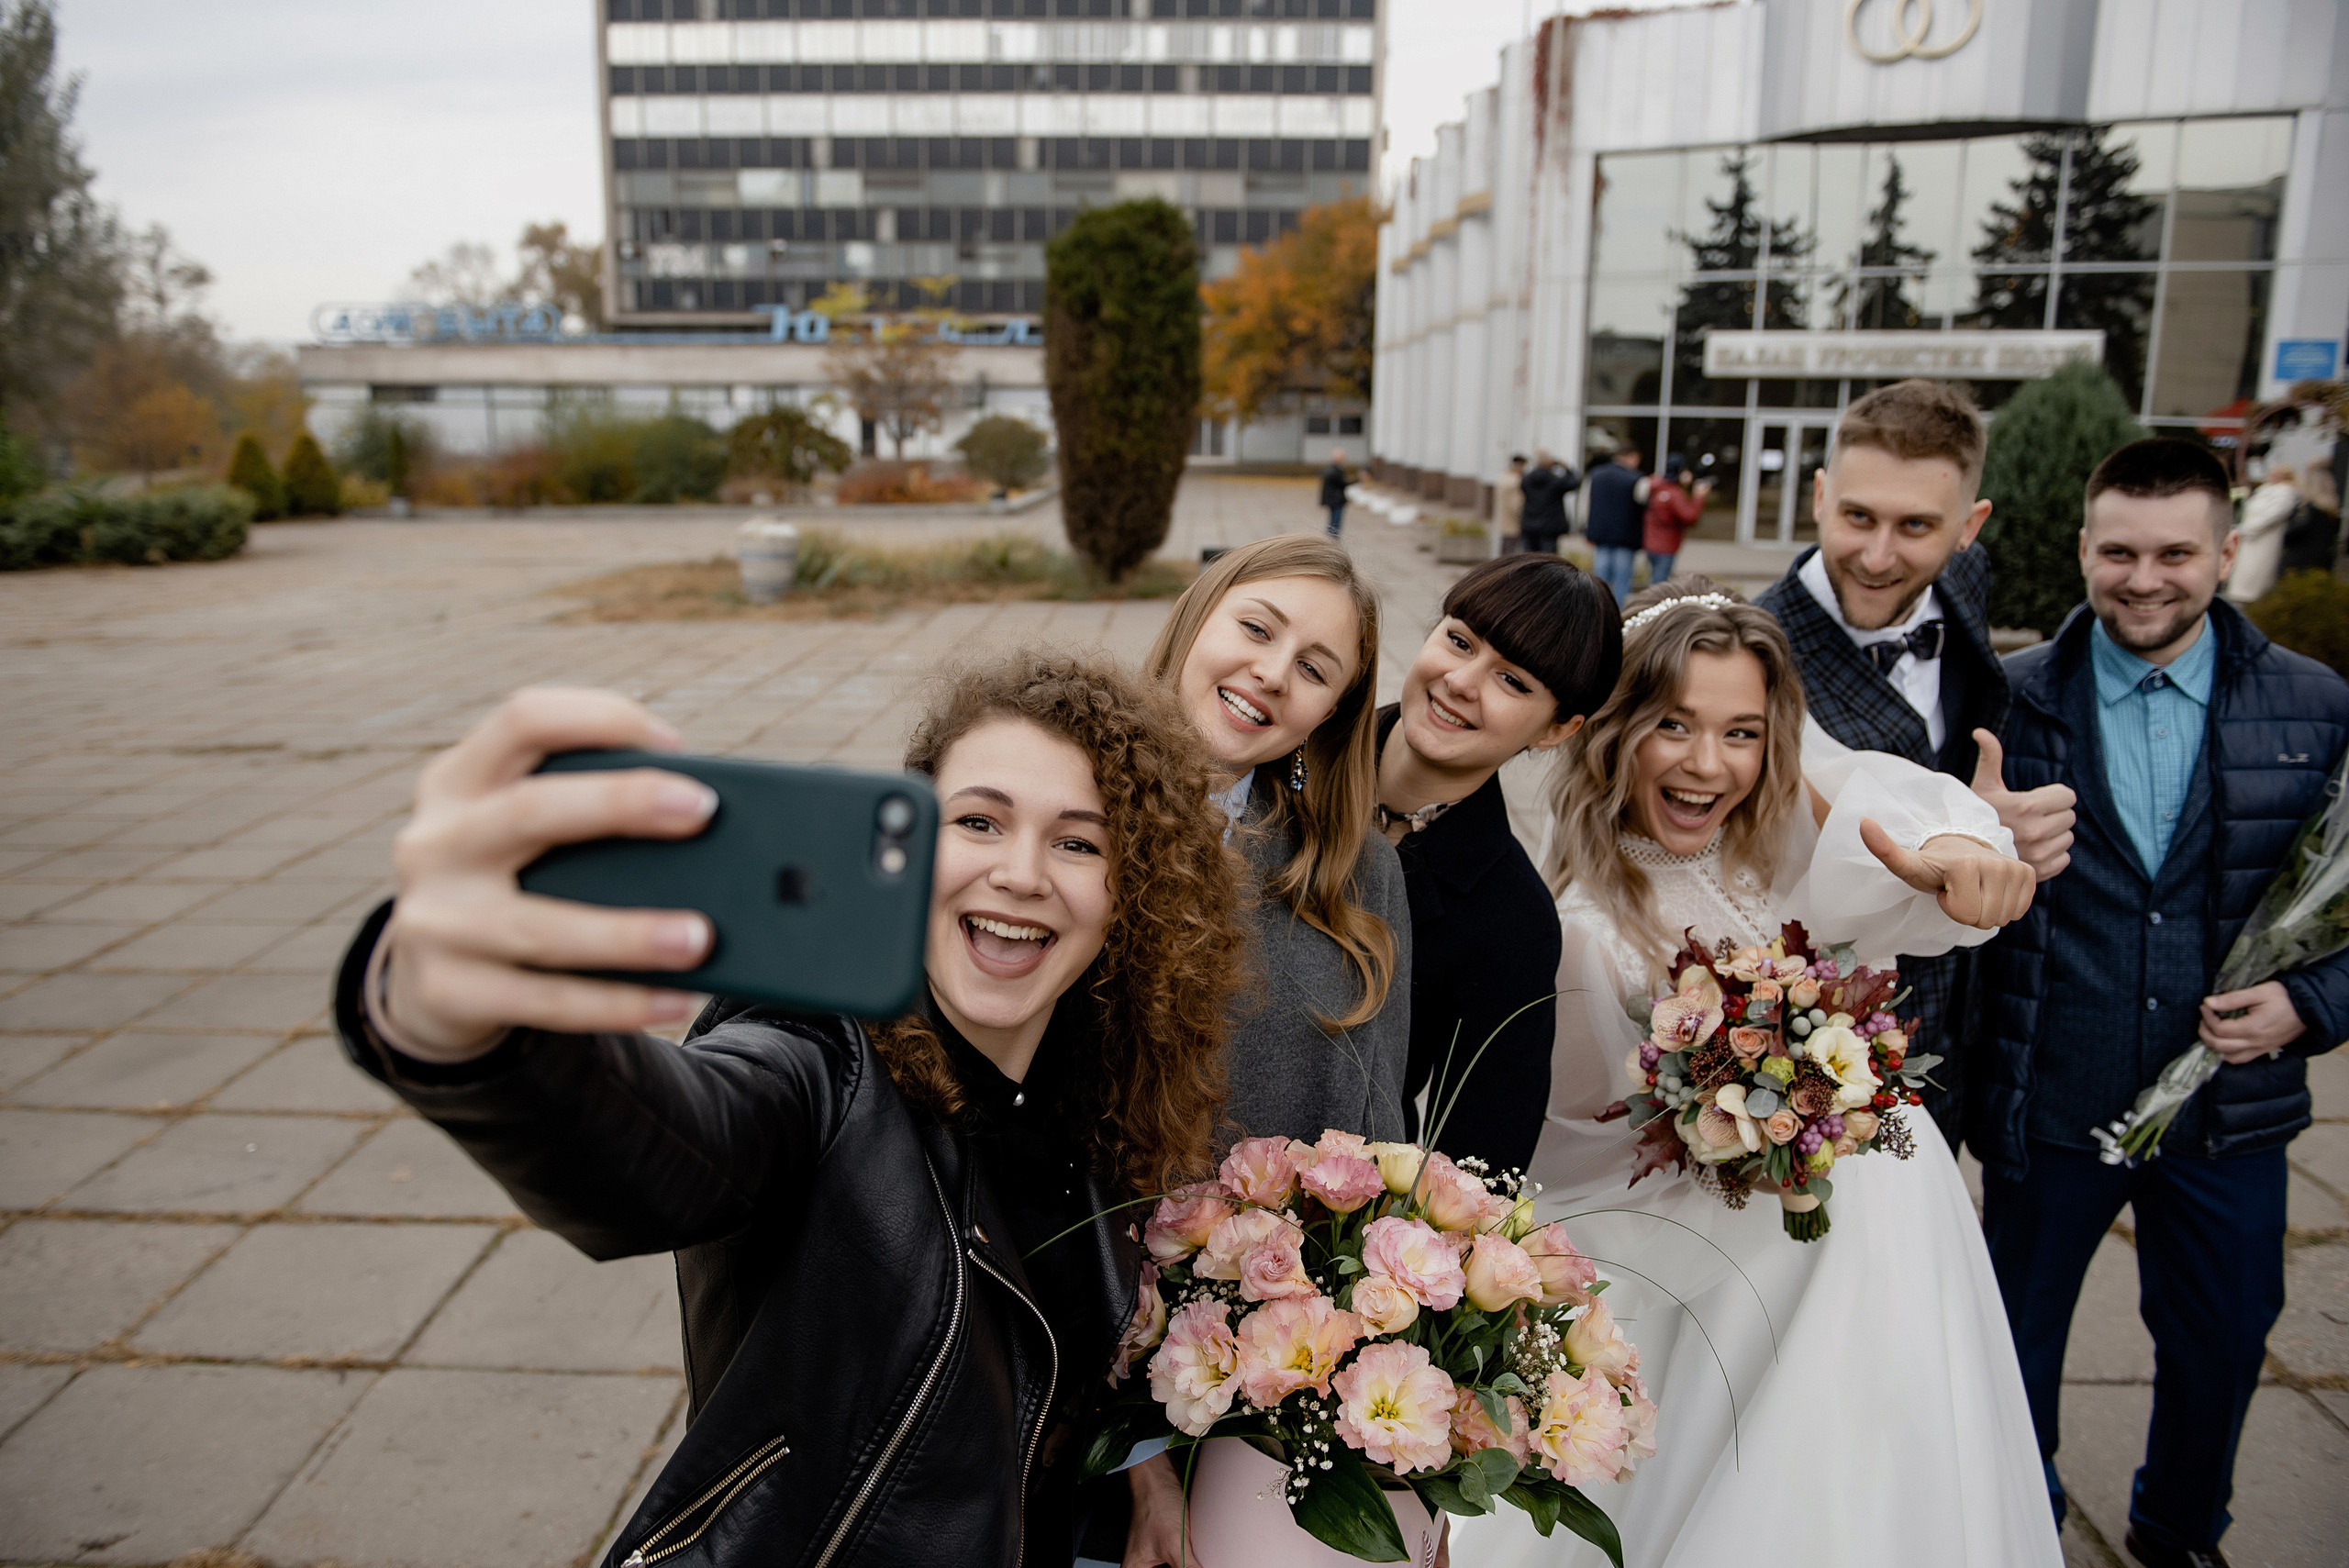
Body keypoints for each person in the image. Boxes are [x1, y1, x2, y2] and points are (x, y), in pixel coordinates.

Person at [329, 651, 1247, 1567]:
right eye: (979, 820)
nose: (1020, 872)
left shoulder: (1099, 1089)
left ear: (1130, 892)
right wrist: (459, 1019)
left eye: (1078, 841)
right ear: (914, 840)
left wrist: (1141, 1471)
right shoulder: (818, 1056)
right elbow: (668, 1142)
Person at [1452, 577, 2054, 1568]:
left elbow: (1889, 821)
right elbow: (1566, 1165)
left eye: (1741, 732)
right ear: (1611, 729)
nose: (1707, 763)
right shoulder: (1567, 932)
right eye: (1672, 724)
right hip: (1726, 1281)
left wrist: (1963, 837)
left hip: (1899, 1257)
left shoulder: (1787, 856)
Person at [1970, 438, 2349, 1568]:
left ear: (2227, 552)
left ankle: (2178, 1533)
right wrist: (1968, 840)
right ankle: (2017, 1526)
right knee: (2012, 1346)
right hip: (2049, 1097)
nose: (2145, 577)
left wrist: (2312, 1000)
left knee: (2223, 1342)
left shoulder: (2316, 702)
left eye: (2175, 552)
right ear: (2083, 549)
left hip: (2231, 1111)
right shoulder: (2009, 699)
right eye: (2119, 551)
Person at [1119, 533, 1414, 1566]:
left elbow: (1377, 1165)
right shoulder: (1061, 826)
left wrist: (1397, 1466)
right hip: (1076, 1363)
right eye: (1256, 627)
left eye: (1314, 667)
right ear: (1199, 614)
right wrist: (1134, 1459)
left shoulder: (1353, 877)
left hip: (1276, 1386)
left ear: (1332, 711)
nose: (1269, 674)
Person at [1753, 379, 2076, 1147]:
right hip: (1831, 1052)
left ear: (1970, 527)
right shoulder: (1751, 660)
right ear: (1820, 494)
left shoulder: (1965, 588)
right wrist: (1974, 836)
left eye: (1916, 526)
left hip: (1972, 1019)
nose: (1877, 554)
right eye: (1857, 515)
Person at [1374, 552, 1623, 1178]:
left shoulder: (1514, 919)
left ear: (1557, 729)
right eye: (1459, 641)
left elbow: (1479, 1168)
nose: (1461, 680)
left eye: (1513, 681)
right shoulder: (1291, 742)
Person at [1583, 444, 1648, 605]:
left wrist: (1585, 526)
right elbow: (1644, 503)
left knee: (1600, 579)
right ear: (1632, 457)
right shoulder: (1637, 479)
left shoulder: (1596, 475)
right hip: (1625, 535)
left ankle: (1599, 609)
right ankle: (1618, 615)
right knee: (1622, 580)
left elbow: (1586, 502)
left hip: (1601, 533)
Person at [2224, 463, 2294, 603]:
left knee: (2254, 575)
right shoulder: (2264, 490)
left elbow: (2270, 517)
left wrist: (2246, 529)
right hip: (2248, 537)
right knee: (2243, 573)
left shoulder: (2285, 493)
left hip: (2262, 540)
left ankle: (2249, 600)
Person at [1639, 452, 1710, 585]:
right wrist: (1699, 497)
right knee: (1660, 586)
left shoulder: (1655, 487)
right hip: (1666, 546)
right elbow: (1689, 516)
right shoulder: (1674, 493)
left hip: (1651, 543)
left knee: (1654, 580)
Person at [1520, 449, 1578, 556]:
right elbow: (1573, 483)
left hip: (1529, 523)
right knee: (1548, 559)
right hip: (1550, 526)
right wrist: (1566, 468)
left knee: (1529, 557)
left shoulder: (1526, 479)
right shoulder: (1555, 481)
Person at [1497, 453, 1530, 553]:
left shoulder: (1504, 477)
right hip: (1513, 522)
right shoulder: (1515, 482)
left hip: (1504, 520)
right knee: (1511, 551)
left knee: (1505, 548)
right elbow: (1516, 504)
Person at [1319, 447, 1350, 538]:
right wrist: (1358, 480)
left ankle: (1329, 540)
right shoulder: (1335, 471)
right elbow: (1342, 483)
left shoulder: (1330, 469)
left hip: (1332, 500)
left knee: (1332, 523)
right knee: (1335, 525)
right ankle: (1331, 543)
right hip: (1336, 500)